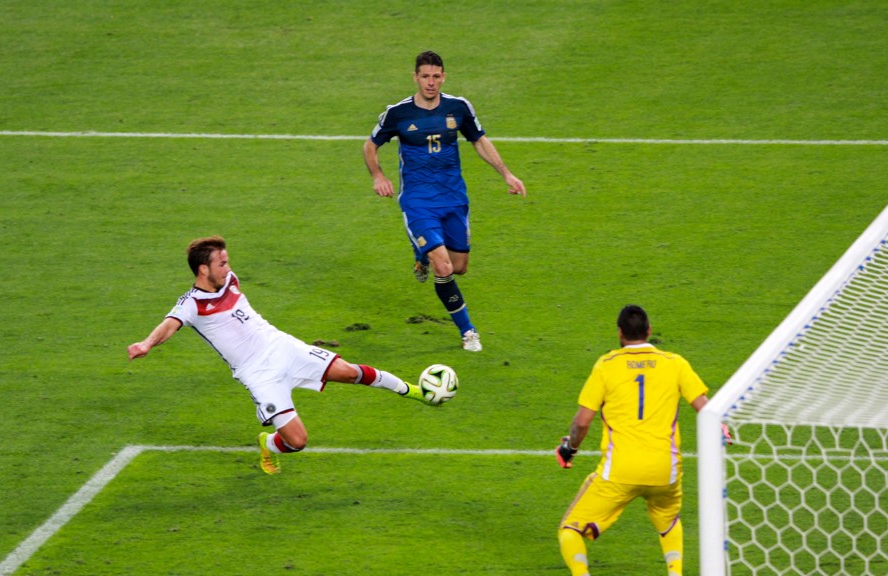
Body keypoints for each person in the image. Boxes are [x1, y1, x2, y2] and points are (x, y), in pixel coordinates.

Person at [127, 236, 439, 475]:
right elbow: (169, 325)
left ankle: (414, 391)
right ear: (203, 269)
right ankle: (267, 443)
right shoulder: (192, 303)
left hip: (281, 347)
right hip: (258, 373)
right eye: (221, 264)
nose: (228, 268)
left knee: (349, 372)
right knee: (297, 441)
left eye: (227, 261)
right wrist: (146, 344)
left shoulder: (230, 280)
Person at [363, 50, 526, 353]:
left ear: (444, 77)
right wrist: (378, 176)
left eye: (436, 76)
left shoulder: (459, 107)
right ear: (415, 77)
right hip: (418, 202)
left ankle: (421, 252)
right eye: (425, 76)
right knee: (443, 265)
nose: (430, 82)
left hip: (453, 199)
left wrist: (506, 174)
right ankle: (468, 331)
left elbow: (479, 140)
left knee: (459, 267)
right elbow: (370, 146)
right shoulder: (398, 113)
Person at [554, 305, 730, 576]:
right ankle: (675, 572)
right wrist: (721, 428)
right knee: (669, 522)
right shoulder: (675, 363)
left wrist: (570, 448)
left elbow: (582, 422)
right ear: (648, 331)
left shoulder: (606, 366)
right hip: (665, 470)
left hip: (620, 472)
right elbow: (705, 408)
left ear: (620, 333)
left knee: (570, 529)